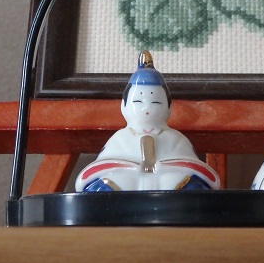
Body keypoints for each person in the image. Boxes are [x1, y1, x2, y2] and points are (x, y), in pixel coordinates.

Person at [75, 51, 220, 192]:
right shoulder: (119, 138)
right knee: (99, 188)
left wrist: (166, 167)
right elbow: (96, 170)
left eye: (156, 102)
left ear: (169, 106)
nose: (146, 108)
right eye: (138, 102)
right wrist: (130, 167)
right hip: (126, 186)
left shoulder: (176, 139)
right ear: (124, 106)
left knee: (193, 186)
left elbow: (202, 172)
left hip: (168, 188)